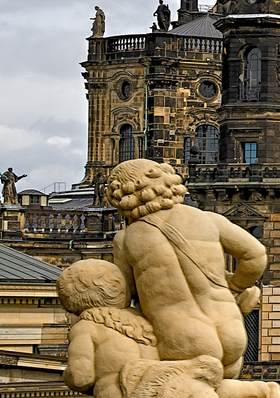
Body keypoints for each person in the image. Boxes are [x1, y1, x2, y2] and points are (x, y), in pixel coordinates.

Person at [106, 160, 266, 379]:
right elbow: (255, 255)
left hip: (182, 336)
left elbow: (124, 296)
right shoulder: (209, 219)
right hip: (230, 326)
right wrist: (236, 285)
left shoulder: (125, 239)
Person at [59, 259, 157, 398]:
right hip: (154, 397)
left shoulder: (85, 328)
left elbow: (81, 377)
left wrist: (67, 376)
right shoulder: (142, 319)